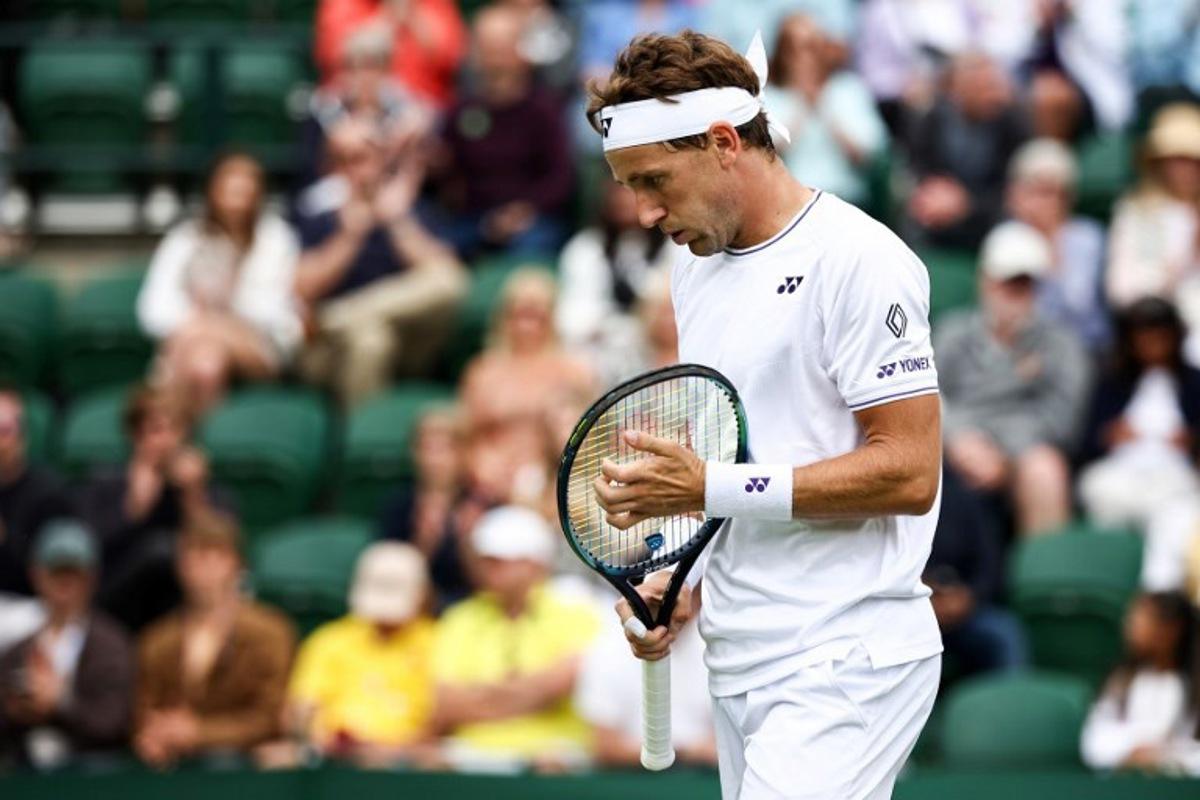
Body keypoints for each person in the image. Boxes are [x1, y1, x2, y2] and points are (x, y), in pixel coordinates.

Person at [587, 30, 943, 799]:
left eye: (655, 182)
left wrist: (707, 489)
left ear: (723, 143)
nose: (645, 214)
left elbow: (910, 472)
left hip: (848, 652)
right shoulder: (695, 265)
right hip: (740, 653)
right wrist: (686, 581)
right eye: (629, 188)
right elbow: (749, 445)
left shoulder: (860, 259)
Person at [295, 116, 467, 406]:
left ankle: (339, 317)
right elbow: (301, 289)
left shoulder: (407, 208)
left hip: (404, 337)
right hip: (331, 349)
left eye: (362, 157)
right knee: (371, 341)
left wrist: (397, 222)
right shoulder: (319, 214)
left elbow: (448, 279)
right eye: (342, 159)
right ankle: (364, 444)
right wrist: (349, 237)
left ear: (382, 159)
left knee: (449, 280)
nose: (354, 168)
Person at [936, 221, 1091, 537]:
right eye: (1007, 282)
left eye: (1025, 284)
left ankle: (1046, 580)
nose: (1015, 293)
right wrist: (961, 442)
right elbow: (926, 395)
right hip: (954, 447)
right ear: (985, 280)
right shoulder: (953, 332)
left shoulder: (1062, 343)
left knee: (1045, 470)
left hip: (1025, 449)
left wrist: (1002, 454)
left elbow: (1063, 420)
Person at [432, 506, 599, 770]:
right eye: (485, 559)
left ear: (534, 564)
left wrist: (481, 697)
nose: (488, 568)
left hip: (554, 754)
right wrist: (535, 694)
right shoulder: (460, 617)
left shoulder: (576, 611)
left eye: (500, 560)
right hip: (471, 753)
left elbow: (566, 681)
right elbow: (445, 704)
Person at [137, 152, 303, 415]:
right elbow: (152, 312)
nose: (237, 200)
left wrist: (218, 315)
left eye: (246, 189)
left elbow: (277, 315)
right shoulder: (186, 238)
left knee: (198, 351)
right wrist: (203, 322)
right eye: (230, 188)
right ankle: (196, 442)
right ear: (212, 191)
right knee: (207, 365)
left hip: (261, 349)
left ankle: (163, 422)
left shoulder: (277, 238)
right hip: (196, 341)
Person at [134, 512, 294, 768]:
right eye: (193, 555)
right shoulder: (158, 640)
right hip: (173, 773)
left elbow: (269, 716)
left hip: (244, 772)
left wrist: (199, 733)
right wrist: (152, 734)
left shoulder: (269, 632)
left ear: (236, 563)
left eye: (214, 554)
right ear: (179, 565)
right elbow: (144, 709)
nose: (203, 566)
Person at [423, 5, 574, 261]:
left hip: (532, 219)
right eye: (486, 48)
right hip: (473, 219)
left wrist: (523, 211)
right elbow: (444, 170)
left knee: (532, 247)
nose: (494, 59)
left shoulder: (544, 109)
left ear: (522, 50)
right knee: (435, 248)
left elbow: (560, 178)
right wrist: (433, 163)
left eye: (501, 48)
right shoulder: (462, 110)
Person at [79, 385, 226, 632]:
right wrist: (135, 505)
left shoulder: (207, 489)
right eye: (156, 430)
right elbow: (91, 551)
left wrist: (193, 497)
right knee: (157, 549)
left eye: (175, 429)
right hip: (115, 607)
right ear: (135, 436)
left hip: (184, 606)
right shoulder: (106, 484)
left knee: (167, 550)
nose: (166, 441)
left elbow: (220, 547)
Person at [1078, 299, 1200, 592]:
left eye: (1160, 337)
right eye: (1144, 338)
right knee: (1102, 496)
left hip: (1173, 479)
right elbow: (1085, 445)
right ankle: (1107, 591)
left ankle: (1158, 600)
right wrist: (1111, 435)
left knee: (1175, 519)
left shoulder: (1193, 383)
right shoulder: (1114, 382)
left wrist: (1191, 442)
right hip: (1120, 476)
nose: (1153, 346)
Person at [285, 542, 437, 766]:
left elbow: (442, 722)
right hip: (333, 765)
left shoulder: (439, 643)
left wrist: (396, 750)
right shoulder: (329, 640)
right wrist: (316, 736)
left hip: (408, 768)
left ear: (423, 594)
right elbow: (300, 709)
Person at [0, 520, 133, 769]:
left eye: (73, 573)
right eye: (56, 572)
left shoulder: (112, 645)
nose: (65, 584)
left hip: (93, 780)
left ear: (91, 578)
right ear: (37, 575)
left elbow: (115, 723)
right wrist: (18, 710)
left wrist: (60, 702)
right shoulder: (16, 651)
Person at [460, 269, 594, 504]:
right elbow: (467, 437)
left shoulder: (575, 371)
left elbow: (589, 439)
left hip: (557, 487)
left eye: (536, 316)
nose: (526, 326)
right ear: (504, 318)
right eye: (519, 315)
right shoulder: (483, 371)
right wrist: (481, 465)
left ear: (551, 318)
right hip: (492, 490)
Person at [902, 52, 1030, 250]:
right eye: (979, 88)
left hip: (989, 212)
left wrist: (967, 204)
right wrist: (937, 194)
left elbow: (1013, 186)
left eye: (992, 86)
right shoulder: (931, 120)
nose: (990, 96)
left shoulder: (1012, 123)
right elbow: (919, 169)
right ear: (955, 91)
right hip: (940, 205)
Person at [764, 11, 888, 208]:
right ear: (782, 53)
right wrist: (802, 105)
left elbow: (868, 155)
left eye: (812, 47)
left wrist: (824, 107)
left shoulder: (849, 89)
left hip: (846, 200)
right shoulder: (767, 96)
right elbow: (767, 155)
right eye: (793, 48)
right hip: (789, 205)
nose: (804, 57)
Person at [555, 180, 673, 386]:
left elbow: (669, 307)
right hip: (601, 355)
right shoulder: (584, 248)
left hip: (658, 352)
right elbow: (573, 318)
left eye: (633, 192)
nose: (625, 200)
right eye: (619, 192)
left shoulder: (674, 246)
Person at [1106, 104, 1200, 358]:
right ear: (1160, 163)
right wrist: (1187, 253)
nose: (1186, 169)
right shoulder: (1140, 215)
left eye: (1193, 160)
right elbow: (1125, 290)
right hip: (1161, 339)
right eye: (1177, 159)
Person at [1005, 138, 1110, 352]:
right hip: (1020, 349)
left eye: (1049, 192)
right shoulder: (1007, 237)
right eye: (1032, 190)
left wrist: (1050, 242)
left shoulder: (1087, 238)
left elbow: (1079, 307)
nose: (1039, 202)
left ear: (1067, 197)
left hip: (1083, 347)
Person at [302, 20, 434, 188]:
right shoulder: (325, 110)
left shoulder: (406, 111)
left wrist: (416, 129)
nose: (364, 76)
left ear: (387, 70)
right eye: (354, 67)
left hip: (390, 190)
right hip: (338, 189)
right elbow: (314, 172)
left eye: (372, 66)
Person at [575, 612, 716, 769]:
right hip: (632, 780)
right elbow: (604, 746)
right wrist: (685, 753)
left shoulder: (721, 646)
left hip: (706, 779)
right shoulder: (608, 648)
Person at [1081, 591, 1200, 775]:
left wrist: (1164, 757)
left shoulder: (1193, 687)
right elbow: (1093, 742)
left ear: (1171, 630)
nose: (1130, 627)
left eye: (1141, 620)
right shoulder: (1121, 681)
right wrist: (1132, 751)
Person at [924, 469, 1028, 679]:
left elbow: (990, 566)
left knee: (1003, 632)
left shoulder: (961, 494)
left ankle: (1013, 707)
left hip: (963, 608)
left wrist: (968, 598)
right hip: (909, 609)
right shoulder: (892, 500)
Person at [378, 406, 480, 609]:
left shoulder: (480, 503)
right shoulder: (399, 506)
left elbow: (489, 584)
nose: (434, 460)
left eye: (444, 449)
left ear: (464, 453)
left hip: (469, 610)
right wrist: (423, 544)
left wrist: (467, 543)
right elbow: (389, 579)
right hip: (408, 610)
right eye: (427, 449)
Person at [313, 0, 467, 110]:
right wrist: (389, 16)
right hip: (357, 109)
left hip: (427, 114)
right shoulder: (342, 4)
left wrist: (413, 15)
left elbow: (450, 59)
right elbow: (335, 57)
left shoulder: (437, 3)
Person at [0, 389, 74, 600]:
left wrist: (5, 539)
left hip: (28, 605)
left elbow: (57, 572)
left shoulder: (48, 492)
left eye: (4, 430)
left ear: (22, 436)